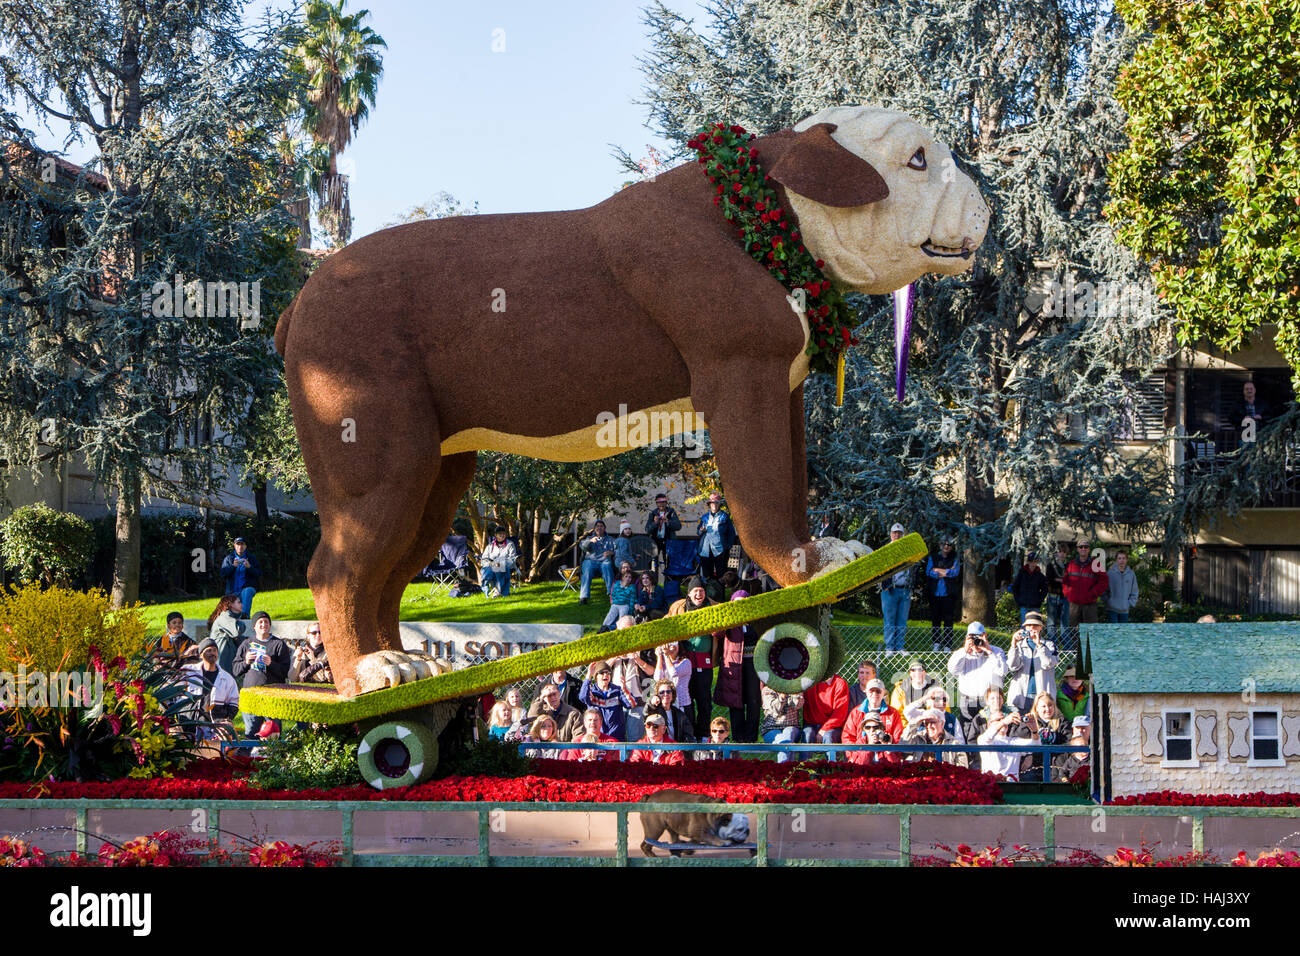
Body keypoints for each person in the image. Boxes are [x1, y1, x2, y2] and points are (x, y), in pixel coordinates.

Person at [231, 612, 292, 737]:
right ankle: (250, 756)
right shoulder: (246, 644)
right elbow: (236, 670)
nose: (264, 624)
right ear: (254, 626)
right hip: (251, 695)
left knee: (274, 733)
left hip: (272, 697)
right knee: (251, 733)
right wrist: (246, 662)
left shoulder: (279, 644)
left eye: (266, 622)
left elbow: (286, 672)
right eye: (260, 622)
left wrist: (271, 664)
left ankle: (273, 756)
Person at [947, 622, 1008, 743]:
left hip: (991, 700)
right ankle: (970, 759)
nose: (975, 641)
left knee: (990, 729)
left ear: (984, 635)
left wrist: (989, 651)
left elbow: (1003, 671)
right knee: (968, 731)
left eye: (978, 637)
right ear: (966, 638)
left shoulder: (996, 652)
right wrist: (965, 651)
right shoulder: (962, 653)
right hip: (969, 700)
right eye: (972, 637)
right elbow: (952, 669)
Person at [715, 591, 761, 742]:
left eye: (743, 601)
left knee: (754, 701)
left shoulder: (756, 618)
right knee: (736, 701)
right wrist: (727, 617)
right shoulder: (730, 620)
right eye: (737, 602)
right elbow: (717, 633)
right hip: (735, 666)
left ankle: (751, 738)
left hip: (753, 665)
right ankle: (738, 737)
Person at [181, 638, 239, 740]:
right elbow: (174, 689)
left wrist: (225, 719)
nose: (212, 653)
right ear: (201, 655)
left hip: (214, 729)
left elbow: (234, 703)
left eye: (214, 650)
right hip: (190, 725)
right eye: (208, 650)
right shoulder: (189, 672)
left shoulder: (227, 678)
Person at [1006, 611, 1058, 713]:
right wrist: (1014, 645)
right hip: (1021, 695)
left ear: (1041, 627)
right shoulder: (1019, 645)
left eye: (1035, 625)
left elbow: (1048, 664)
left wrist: (1039, 645)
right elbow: (1012, 666)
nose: (1032, 628)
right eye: (1029, 625)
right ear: (1024, 627)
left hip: (1043, 694)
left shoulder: (1049, 645)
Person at [842, 679, 904, 764]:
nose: (874, 694)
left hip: (885, 755)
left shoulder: (893, 714)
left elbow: (898, 738)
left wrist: (889, 748)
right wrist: (854, 755)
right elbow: (847, 737)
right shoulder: (856, 712)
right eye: (871, 691)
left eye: (878, 691)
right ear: (866, 692)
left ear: (883, 693)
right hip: (861, 754)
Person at [975, 688, 1031, 781]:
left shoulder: (1014, 741)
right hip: (990, 783)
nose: (1002, 723)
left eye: (999, 698)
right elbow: (985, 737)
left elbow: (1036, 744)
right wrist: (1004, 721)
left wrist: (1034, 729)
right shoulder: (983, 739)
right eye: (997, 721)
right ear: (989, 725)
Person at [1062, 539, 1108, 648]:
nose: (1083, 549)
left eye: (1085, 547)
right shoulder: (1072, 564)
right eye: (1081, 547)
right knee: (1073, 631)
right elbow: (1065, 580)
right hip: (1074, 604)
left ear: (1089, 549)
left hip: (1089, 604)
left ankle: (1091, 655)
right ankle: (1075, 656)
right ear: (1077, 549)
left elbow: (1104, 582)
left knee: (1091, 631)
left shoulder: (1096, 564)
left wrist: (1093, 593)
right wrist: (1068, 593)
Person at [1019, 691, 1070, 782]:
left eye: (1050, 705)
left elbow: (1068, 743)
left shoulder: (1062, 722)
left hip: (1056, 766)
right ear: (1036, 708)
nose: (1047, 709)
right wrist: (1029, 755)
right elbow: (1020, 742)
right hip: (1034, 766)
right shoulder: (1028, 722)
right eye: (1043, 706)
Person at [579, 661, 636, 740]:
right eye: (602, 673)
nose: (605, 675)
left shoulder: (617, 691)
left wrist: (624, 689)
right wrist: (588, 676)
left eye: (608, 673)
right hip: (597, 737)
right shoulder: (592, 691)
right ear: (596, 676)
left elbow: (631, 704)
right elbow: (582, 697)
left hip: (616, 737)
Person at [880, 522, 914, 653]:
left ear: (903, 534)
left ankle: (900, 646)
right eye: (895, 533)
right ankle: (889, 647)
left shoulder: (908, 550)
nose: (897, 535)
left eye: (899, 533)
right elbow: (881, 570)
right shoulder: (886, 550)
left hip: (905, 589)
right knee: (889, 620)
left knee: (902, 620)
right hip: (890, 589)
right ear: (890, 534)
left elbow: (913, 568)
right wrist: (885, 585)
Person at [801, 669, 850, 761]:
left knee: (828, 736)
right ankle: (803, 772)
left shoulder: (840, 683)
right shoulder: (810, 682)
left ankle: (832, 771)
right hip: (811, 724)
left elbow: (839, 714)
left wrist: (823, 730)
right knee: (807, 734)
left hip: (833, 727)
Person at [924, 539, 961, 650]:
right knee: (936, 618)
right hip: (935, 593)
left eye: (949, 544)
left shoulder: (955, 558)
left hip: (948, 594)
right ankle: (936, 642)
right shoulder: (933, 557)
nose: (946, 546)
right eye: (944, 544)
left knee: (948, 619)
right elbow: (929, 572)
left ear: (952, 547)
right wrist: (946, 571)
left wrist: (938, 570)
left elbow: (955, 572)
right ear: (940, 545)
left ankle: (947, 644)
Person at [901, 707, 967, 767]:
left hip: (944, 778)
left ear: (942, 723)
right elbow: (903, 745)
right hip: (921, 777)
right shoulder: (918, 738)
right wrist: (914, 724)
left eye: (932, 722)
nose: (929, 726)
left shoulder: (954, 743)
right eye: (926, 723)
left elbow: (963, 768)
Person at [696, 492, 736, 580]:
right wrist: (701, 530)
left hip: (720, 550)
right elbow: (698, 532)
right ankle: (707, 593)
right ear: (709, 505)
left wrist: (727, 547)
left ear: (719, 504)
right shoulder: (705, 517)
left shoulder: (724, 517)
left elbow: (731, 533)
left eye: (716, 503)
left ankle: (720, 593)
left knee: (721, 575)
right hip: (705, 550)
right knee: (706, 576)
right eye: (712, 503)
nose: (714, 505)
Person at [759, 683, 803, 763]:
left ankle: (784, 771)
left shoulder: (795, 688)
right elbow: (775, 709)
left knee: (789, 733)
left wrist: (796, 693)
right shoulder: (767, 690)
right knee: (785, 741)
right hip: (771, 729)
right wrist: (782, 696)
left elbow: (797, 705)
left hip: (792, 727)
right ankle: (788, 770)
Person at [219, 537, 261, 618]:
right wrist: (233, 566)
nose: (240, 547)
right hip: (232, 593)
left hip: (245, 591)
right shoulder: (229, 558)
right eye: (238, 544)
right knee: (230, 616)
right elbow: (223, 574)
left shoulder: (251, 558)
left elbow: (258, 574)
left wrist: (249, 567)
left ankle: (245, 616)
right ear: (234, 546)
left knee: (248, 591)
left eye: (242, 544)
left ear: (245, 546)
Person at [890, 659, 939, 728]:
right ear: (909, 673)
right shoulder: (900, 689)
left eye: (920, 669)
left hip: (931, 727)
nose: (917, 673)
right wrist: (909, 729)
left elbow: (943, 711)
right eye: (913, 670)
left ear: (925, 672)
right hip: (909, 727)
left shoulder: (934, 688)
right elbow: (897, 714)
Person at [578, 520, 616, 605]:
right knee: (587, 569)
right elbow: (582, 547)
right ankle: (583, 597)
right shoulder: (589, 538)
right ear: (595, 529)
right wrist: (590, 541)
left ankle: (611, 594)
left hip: (604, 561)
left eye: (601, 526)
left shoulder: (610, 539)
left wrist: (612, 552)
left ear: (605, 528)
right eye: (597, 526)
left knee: (607, 565)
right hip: (591, 561)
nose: (599, 527)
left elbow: (618, 550)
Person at [206, 594, 244, 675]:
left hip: (226, 660)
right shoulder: (225, 616)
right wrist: (240, 622)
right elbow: (236, 630)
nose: (242, 605)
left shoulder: (230, 618)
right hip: (221, 659)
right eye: (239, 602)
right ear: (230, 604)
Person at [644, 493, 682, 573]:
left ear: (666, 503)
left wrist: (668, 522)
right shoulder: (653, 513)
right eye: (659, 503)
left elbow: (678, 526)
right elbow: (647, 530)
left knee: (669, 562)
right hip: (655, 541)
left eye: (663, 502)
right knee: (653, 562)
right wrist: (655, 523)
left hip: (668, 540)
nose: (662, 504)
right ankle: (654, 581)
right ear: (657, 504)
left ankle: (668, 582)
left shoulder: (671, 512)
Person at [653, 640, 693, 713]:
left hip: (682, 704)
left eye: (674, 643)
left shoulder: (686, 662)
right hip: (667, 704)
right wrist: (659, 657)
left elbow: (673, 673)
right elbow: (657, 678)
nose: (672, 647)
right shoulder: (663, 662)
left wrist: (666, 655)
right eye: (668, 644)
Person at [1044, 544, 1070, 649]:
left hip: (1065, 597)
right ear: (1056, 553)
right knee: (1051, 623)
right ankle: (1052, 647)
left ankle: (1067, 647)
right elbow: (1049, 579)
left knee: (1064, 623)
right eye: (1060, 551)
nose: (1062, 554)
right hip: (1052, 596)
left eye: (1064, 552)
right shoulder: (1051, 566)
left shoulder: (1068, 566)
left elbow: (1070, 580)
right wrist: (1061, 580)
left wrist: (1059, 580)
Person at [1009, 551, 1048, 623]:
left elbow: (1045, 589)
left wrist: (1039, 600)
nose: (1033, 564)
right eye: (1031, 562)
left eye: (1035, 562)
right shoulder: (1021, 574)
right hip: (1024, 604)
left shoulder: (1040, 576)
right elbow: (1015, 587)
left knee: (1035, 624)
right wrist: (1018, 600)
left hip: (1035, 605)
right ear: (1028, 562)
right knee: (1024, 625)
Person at [480, 526, 518, 598]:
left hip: (507, 565)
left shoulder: (510, 544)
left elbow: (512, 558)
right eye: (500, 533)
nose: (502, 535)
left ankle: (498, 591)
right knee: (487, 572)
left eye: (504, 533)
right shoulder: (490, 546)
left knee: (498, 569)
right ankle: (489, 590)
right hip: (491, 565)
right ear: (495, 535)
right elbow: (484, 558)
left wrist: (501, 563)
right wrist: (491, 563)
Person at [600, 562, 639, 630]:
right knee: (610, 616)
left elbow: (633, 599)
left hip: (625, 605)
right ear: (622, 578)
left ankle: (619, 629)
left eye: (630, 577)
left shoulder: (632, 587)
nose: (628, 578)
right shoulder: (617, 584)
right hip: (615, 604)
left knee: (622, 618)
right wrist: (614, 602)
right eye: (626, 576)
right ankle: (604, 627)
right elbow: (613, 593)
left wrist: (630, 610)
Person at [1053, 715, 1091, 782]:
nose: (1080, 731)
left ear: (1090, 729)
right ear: (1073, 729)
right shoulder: (1064, 751)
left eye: (1083, 728)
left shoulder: (1097, 748)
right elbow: (1057, 774)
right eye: (1077, 728)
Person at [1105, 550, 1139, 623]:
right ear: (1116, 560)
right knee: (1114, 632)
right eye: (1119, 558)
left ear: (1127, 560)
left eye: (1123, 558)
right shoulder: (1110, 573)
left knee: (1122, 633)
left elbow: (1135, 590)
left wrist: (1129, 603)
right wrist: (1108, 601)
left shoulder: (1131, 574)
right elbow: (1105, 590)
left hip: (1125, 609)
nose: (1121, 560)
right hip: (1112, 609)